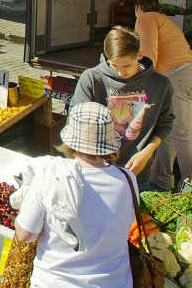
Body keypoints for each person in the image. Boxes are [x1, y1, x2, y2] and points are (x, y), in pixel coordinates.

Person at [14, 101, 138, 288]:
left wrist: (22, 207)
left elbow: (26, 235)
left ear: (69, 141)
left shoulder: (50, 174)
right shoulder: (128, 180)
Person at [71, 26, 175, 184]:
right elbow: (76, 122)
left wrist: (146, 153)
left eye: (126, 66)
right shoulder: (92, 78)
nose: (121, 73)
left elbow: (165, 123)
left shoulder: (160, 84)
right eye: (114, 66)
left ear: (139, 55)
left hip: (137, 173)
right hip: (95, 171)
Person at [135, 0, 192, 191]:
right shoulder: (164, 19)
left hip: (177, 76)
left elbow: (149, 54)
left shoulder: (146, 18)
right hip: (186, 76)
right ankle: (161, 182)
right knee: (166, 130)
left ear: (137, 8)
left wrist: (141, 82)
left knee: (182, 135)